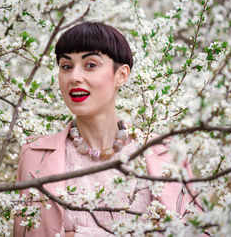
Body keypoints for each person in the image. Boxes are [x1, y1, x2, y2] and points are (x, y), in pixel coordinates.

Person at [13, 22, 199, 237]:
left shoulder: (167, 155)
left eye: (90, 65)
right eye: (66, 66)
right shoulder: (35, 156)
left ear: (121, 75)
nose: (74, 77)